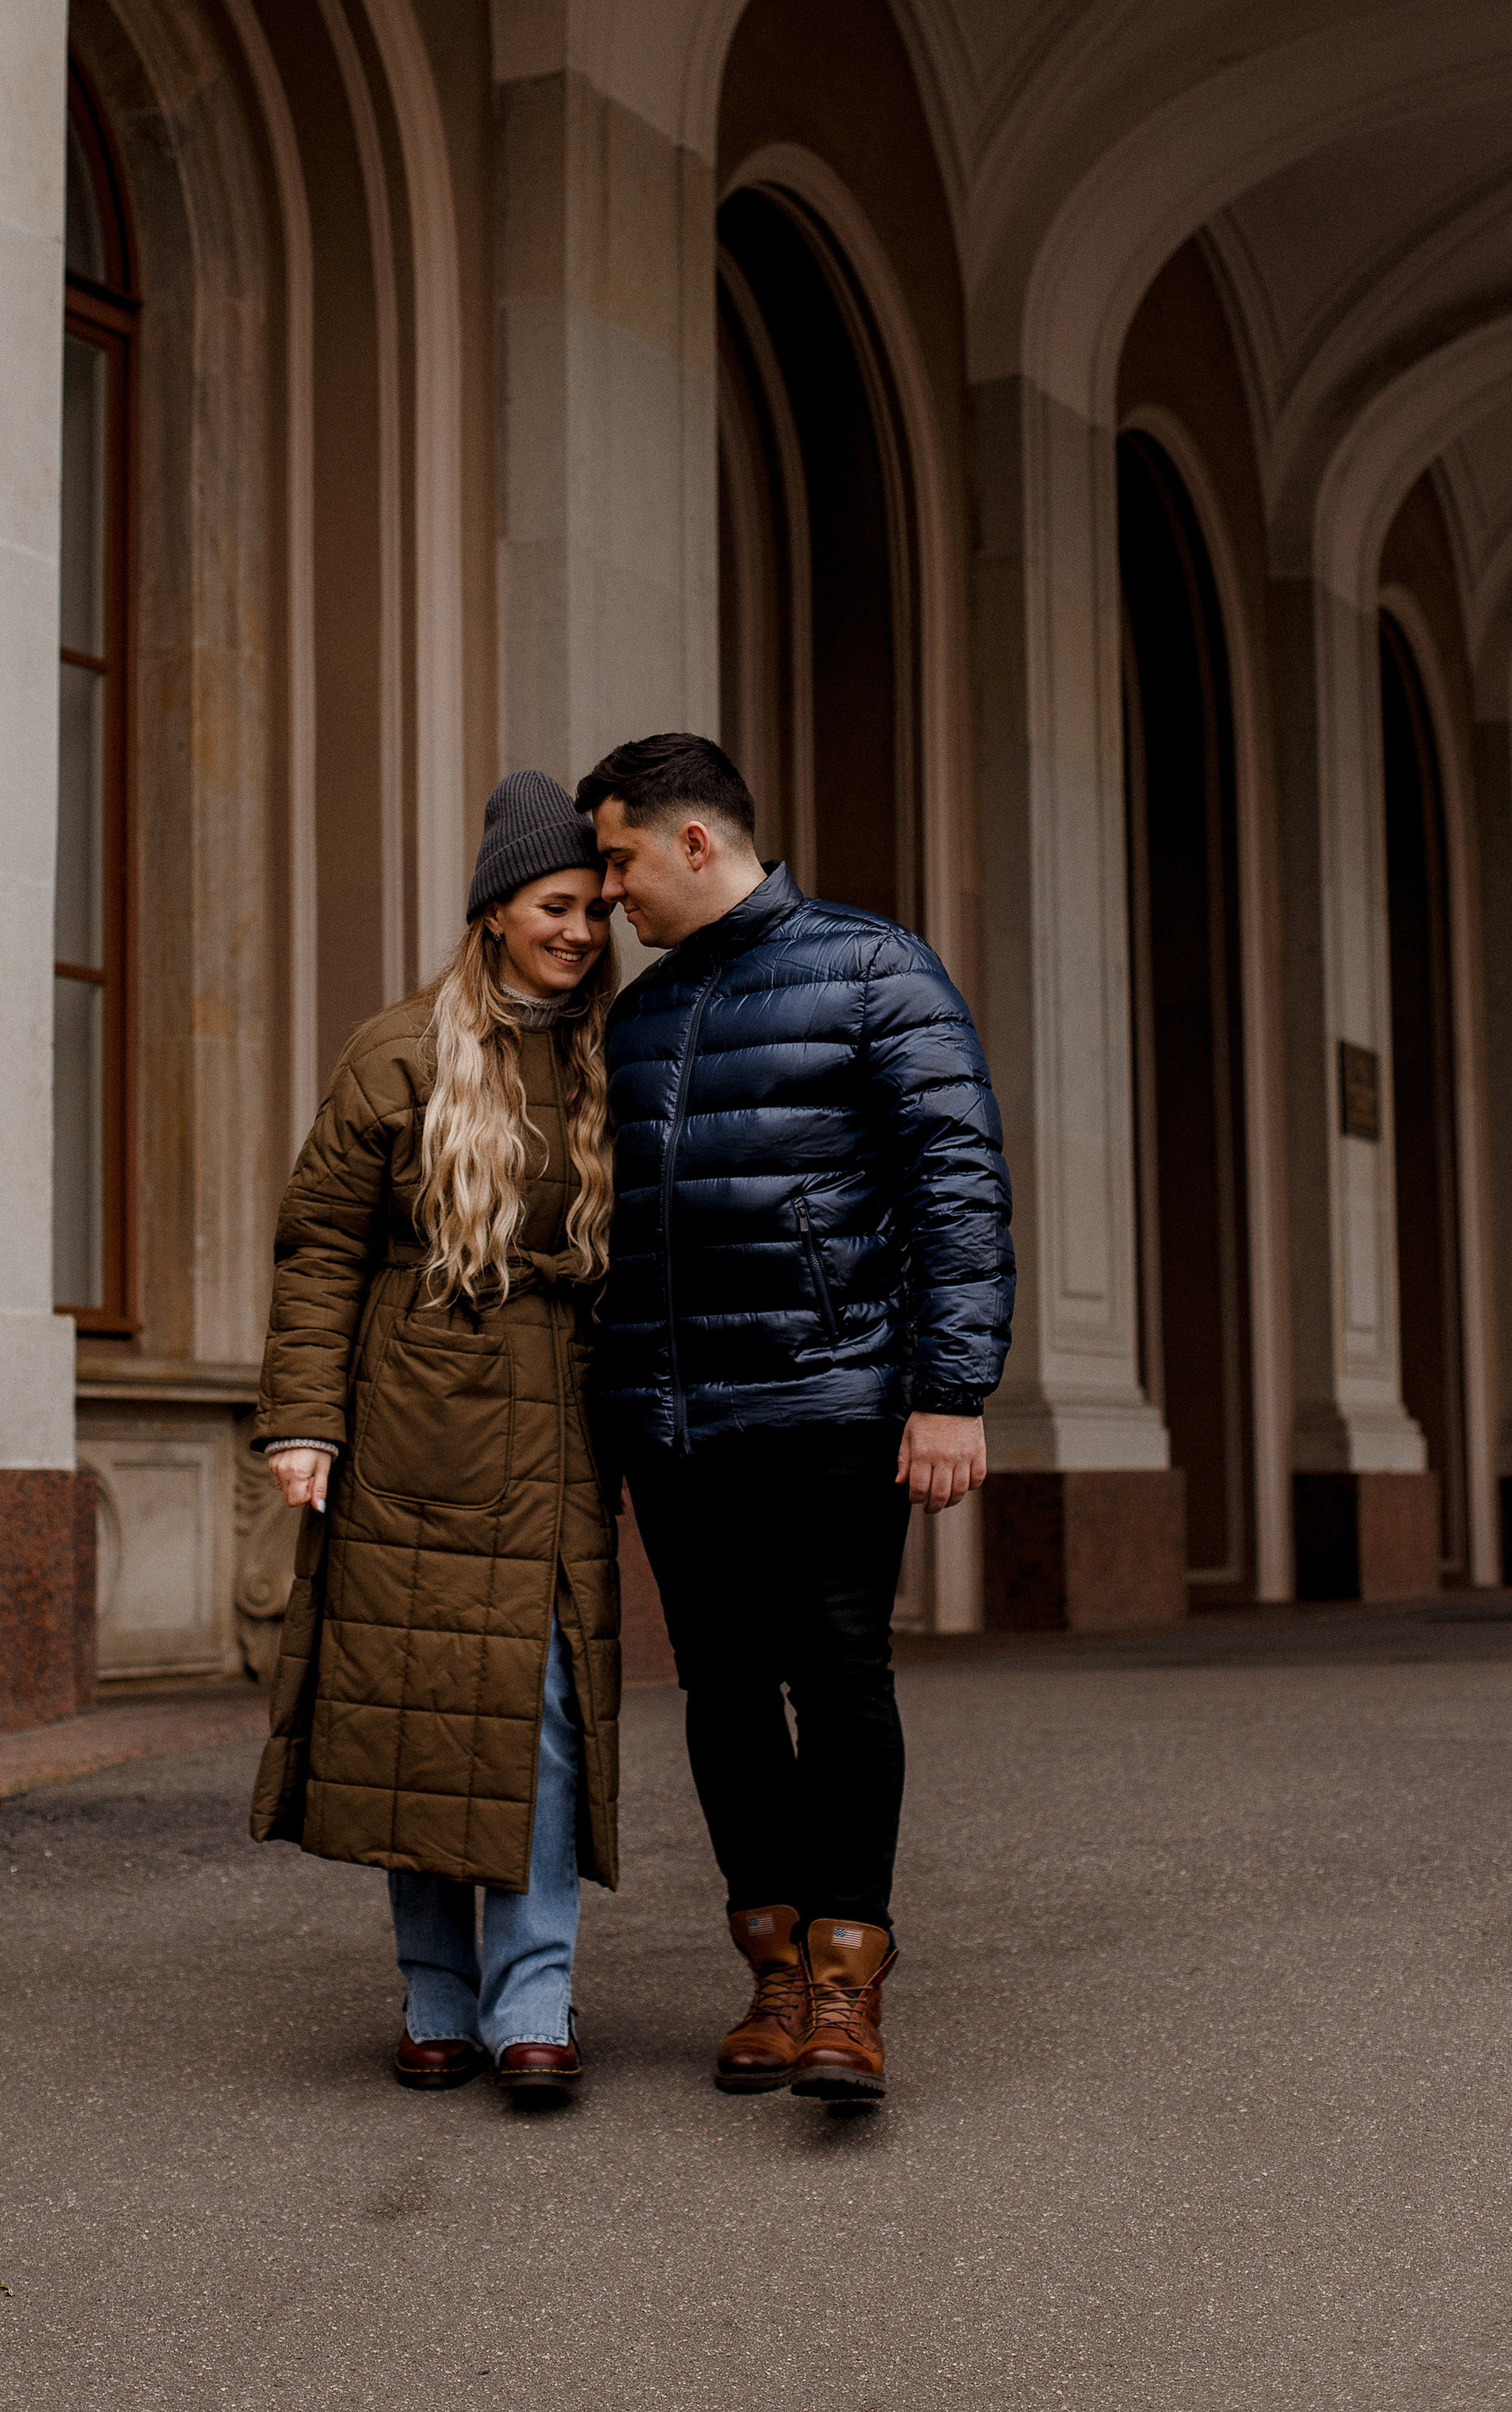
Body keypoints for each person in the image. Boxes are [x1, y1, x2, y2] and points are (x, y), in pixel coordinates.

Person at [574, 731, 1013, 2108]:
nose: (607, 895)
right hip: (674, 1415)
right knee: (717, 1686)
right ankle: (769, 1965)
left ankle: (845, 1973)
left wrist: (952, 1388)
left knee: (836, 1671)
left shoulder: (878, 967)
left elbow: (958, 1179)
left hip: (834, 1400)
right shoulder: (635, 1018)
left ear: (696, 842)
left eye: (621, 859)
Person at [249, 770, 622, 2105]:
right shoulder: (397, 1050)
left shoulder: (608, 1057)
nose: (580, 933)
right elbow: (319, 1247)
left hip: (559, 1418)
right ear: (497, 911)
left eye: (594, 910)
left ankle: (536, 2003)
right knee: (414, 1709)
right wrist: (303, 1417)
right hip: (410, 1419)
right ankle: (436, 2000)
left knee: (543, 1715)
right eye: (556, 906)